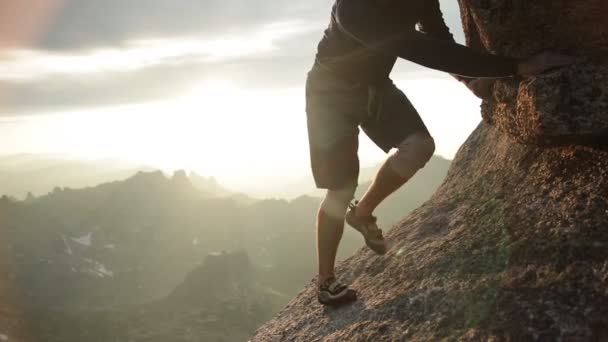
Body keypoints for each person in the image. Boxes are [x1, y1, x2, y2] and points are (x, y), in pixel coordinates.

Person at [307, 0, 574, 306]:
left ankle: (363, 212)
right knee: (340, 189)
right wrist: (514, 67)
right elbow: (420, 49)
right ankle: (326, 282)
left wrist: (470, 79)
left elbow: (436, 36)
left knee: (420, 147)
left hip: (375, 86)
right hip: (329, 91)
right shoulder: (353, 8)